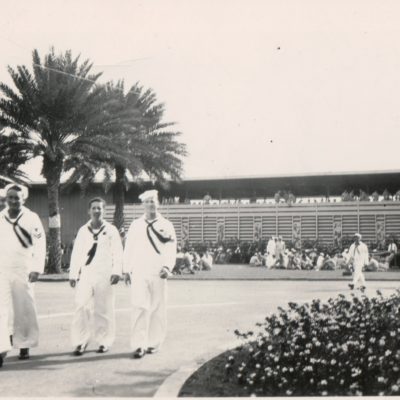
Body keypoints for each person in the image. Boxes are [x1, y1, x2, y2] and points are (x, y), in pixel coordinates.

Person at [123, 190, 177, 359]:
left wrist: (168, 267)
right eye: (147, 201)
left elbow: (171, 247)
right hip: (139, 271)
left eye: (153, 201)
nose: (151, 204)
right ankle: (139, 345)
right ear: (143, 205)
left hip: (158, 272)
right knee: (139, 307)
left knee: (157, 308)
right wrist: (127, 269)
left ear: (158, 203)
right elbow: (129, 249)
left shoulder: (166, 224)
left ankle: (154, 343)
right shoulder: (135, 225)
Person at [68, 198, 123, 356]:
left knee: (103, 309)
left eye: (100, 208)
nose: (97, 211)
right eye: (94, 208)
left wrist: (116, 271)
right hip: (86, 273)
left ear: (104, 211)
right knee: (81, 306)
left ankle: (104, 341)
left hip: (105, 274)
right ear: (89, 211)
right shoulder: (83, 230)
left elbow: (117, 252)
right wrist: (73, 273)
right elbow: (77, 253)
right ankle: (80, 341)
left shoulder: (111, 230)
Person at [0, 184, 46, 367]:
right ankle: (1, 348)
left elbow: (40, 244)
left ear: (23, 199)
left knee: (24, 308)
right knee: (1, 310)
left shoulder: (31, 217)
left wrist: (37, 268)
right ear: (5, 198)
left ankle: (24, 344)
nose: (13, 201)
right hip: (2, 269)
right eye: (9, 197)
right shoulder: (0, 217)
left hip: (24, 269)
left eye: (16, 198)